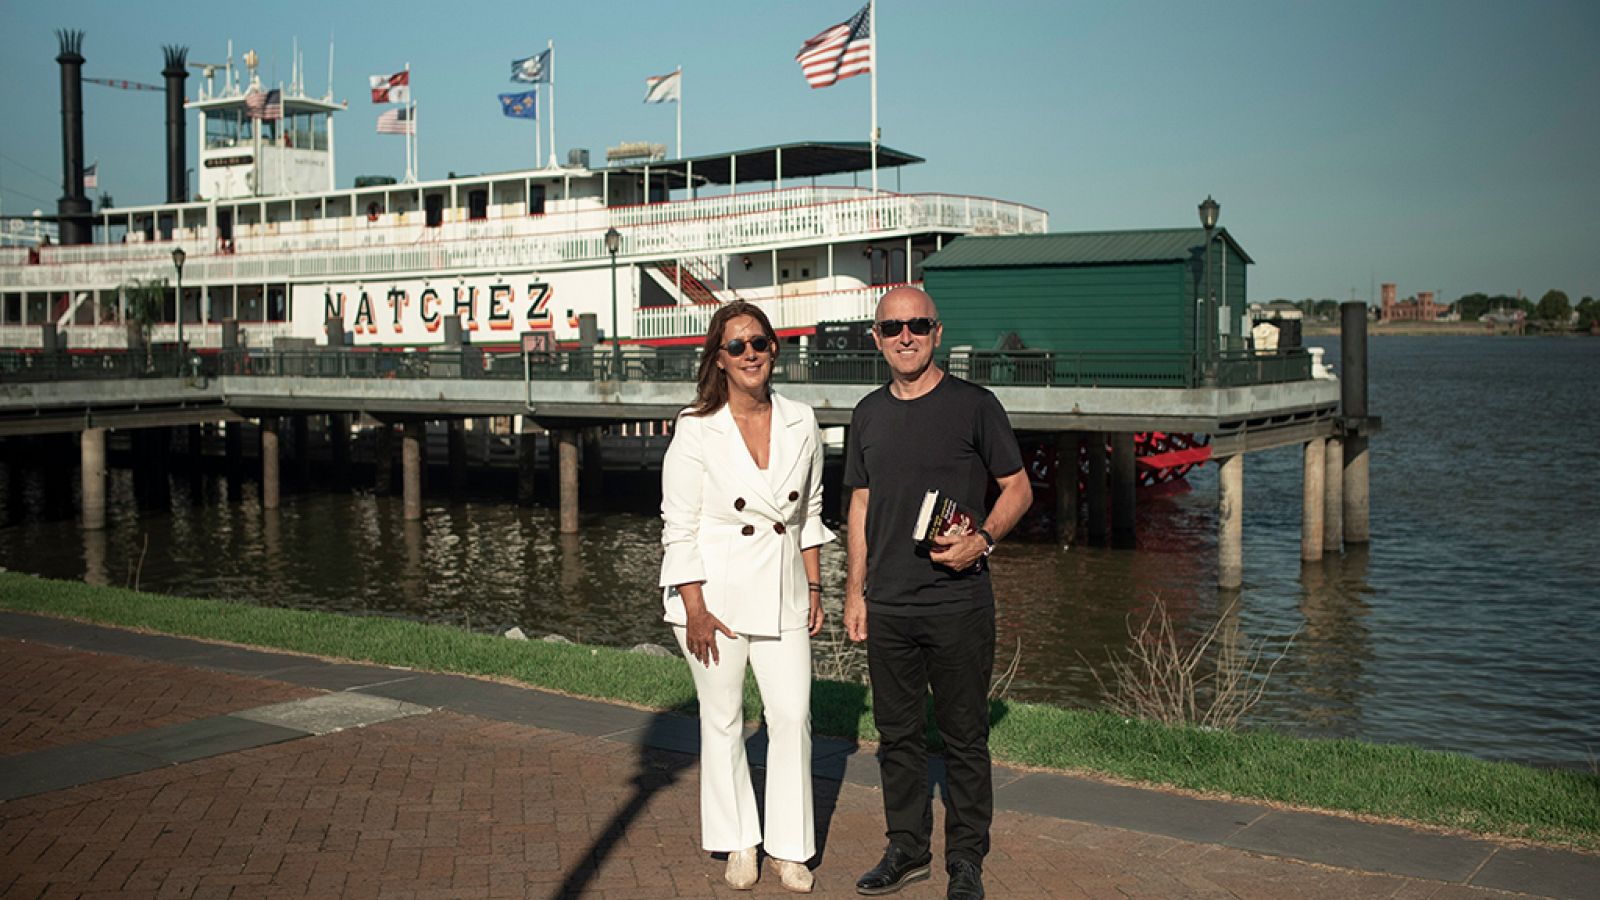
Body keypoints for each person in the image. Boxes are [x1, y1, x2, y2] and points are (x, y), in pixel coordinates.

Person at [843, 286, 1032, 900]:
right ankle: (906, 848)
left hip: (958, 603)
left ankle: (966, 859)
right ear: (875, 338)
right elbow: (861, 503)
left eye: (917, 325)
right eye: (893, 327)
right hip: (890, 603)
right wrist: (855, 590)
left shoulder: (976, 406)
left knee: (963, 736)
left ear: (937, 332)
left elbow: (1018, 489)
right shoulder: (867, 413)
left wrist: (983, 539)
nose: (906, 336)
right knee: (896, 735)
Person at [659, 300, 834, 893]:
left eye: (759, 341)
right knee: (725, 719)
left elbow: (809, 512)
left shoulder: (801, 419)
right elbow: (677, 526)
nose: (750, 353)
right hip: (714, 599)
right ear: (719, 358)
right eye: (736, 346)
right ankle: (739, 841)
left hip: (784, 589)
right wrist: (694, 608)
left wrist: (814, 586)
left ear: (774, 349)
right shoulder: (695, 426)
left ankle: (789, 848)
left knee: (792, 717)